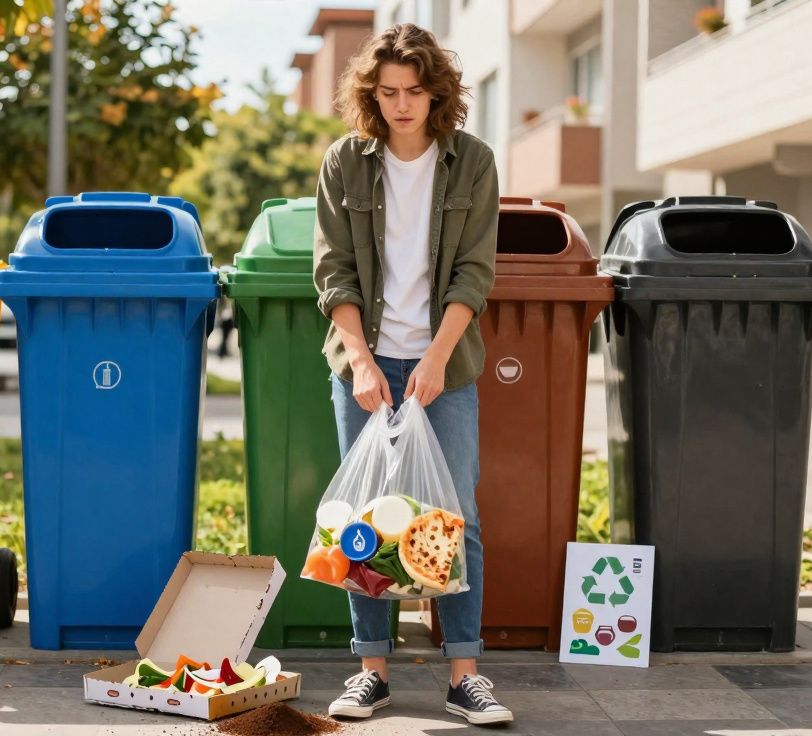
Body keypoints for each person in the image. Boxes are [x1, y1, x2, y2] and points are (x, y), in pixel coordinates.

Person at [312, 23, 508, 725]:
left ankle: (465, 675)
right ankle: (372, 672)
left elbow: (474, 273)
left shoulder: (473, 163)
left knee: (454, 517)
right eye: (389, 92)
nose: (401, 105)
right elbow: (332, 272)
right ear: (372, 94)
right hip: (363, 362)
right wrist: (363, 362)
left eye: (414, 92)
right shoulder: (345, 163)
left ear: (437, 95)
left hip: (443, 363)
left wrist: (433, 358)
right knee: (364, 520)